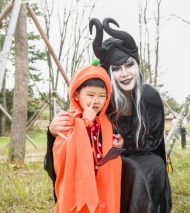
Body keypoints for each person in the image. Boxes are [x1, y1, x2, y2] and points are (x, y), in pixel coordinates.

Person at [45, 18, 172, 213]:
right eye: (116, 69)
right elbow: (80, 122)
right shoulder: (104, 97)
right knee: (122, 168)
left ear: (136, 65)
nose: (125, 74)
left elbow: (154, 141)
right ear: (108, 73)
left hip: (143, 154)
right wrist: (52, 130)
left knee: (144, 167)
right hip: (105, 157)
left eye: (129, 65)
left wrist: (125, 144)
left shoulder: (149, 96)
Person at [45, 59, 124, 213]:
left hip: (102, 182)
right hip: (77, 183)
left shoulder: (106, 122)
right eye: (90, 94)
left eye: (102, 96)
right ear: (76, 94)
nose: (96, 101)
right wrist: (85, 122)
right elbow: (63, 152)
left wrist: (116, 144)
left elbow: (107, 146)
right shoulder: (67, 119)